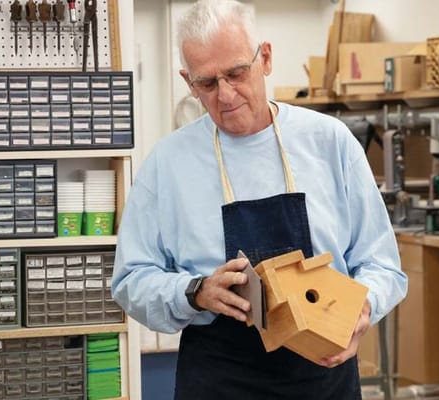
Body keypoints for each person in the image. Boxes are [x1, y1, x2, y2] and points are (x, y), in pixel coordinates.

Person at [110, 0, 407, 398]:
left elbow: (382, 264)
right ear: (188, 81)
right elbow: (131, 281)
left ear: (265, 58)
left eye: (236, 73)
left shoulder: (329, 142)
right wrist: (195, 291)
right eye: (207, 84)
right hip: (221, 378)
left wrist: (363, 308)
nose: (226, 94)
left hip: (322, 377)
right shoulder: (167, 165)